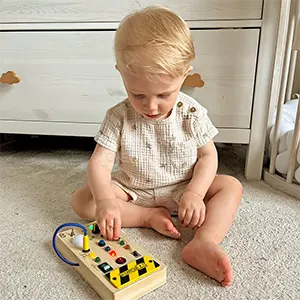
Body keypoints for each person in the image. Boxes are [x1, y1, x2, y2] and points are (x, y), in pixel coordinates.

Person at [71, 6, 243, 287]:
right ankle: (147, 217)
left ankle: (204, 241)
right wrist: (105, 202)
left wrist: (196, 192)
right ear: (121, 74)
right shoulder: (118, 116)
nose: (150, 106)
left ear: (185, 75)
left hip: (183, 187)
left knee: (230, 186)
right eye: (137, 94)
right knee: (82, 201)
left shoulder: (192, 113)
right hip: (132, 189)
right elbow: (100, 163)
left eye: (164, 94)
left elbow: (208, 156)